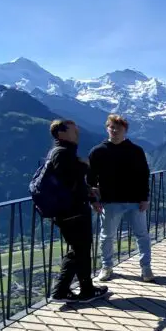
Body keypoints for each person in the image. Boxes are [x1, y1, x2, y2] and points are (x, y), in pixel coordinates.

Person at [45, 120, 109, 303]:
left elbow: (74, 183)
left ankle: (73, 290)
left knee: (79, 249)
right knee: (79, 249)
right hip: (71, 211)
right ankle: (75, 290)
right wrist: (84, 164)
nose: (77, 133)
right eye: (73, 130)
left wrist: (89, 194)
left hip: (71, 209)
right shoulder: (62, 153)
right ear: (60, 133)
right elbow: (68, 178)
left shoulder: (61, 152)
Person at [88, 114, 153, 283]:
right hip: (110, 201)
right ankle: (106, 267)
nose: (115, 130)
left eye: (118, 128)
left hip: (135, 201)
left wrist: (144, 197)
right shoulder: (97, 151)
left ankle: (146, 268)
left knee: (142, 235)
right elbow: (90, 179)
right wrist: (93, 200)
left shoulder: (136, 151)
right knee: (107, 236)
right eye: (112, 127)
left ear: (125, 130)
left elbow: (143, 176)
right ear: (107, 128)